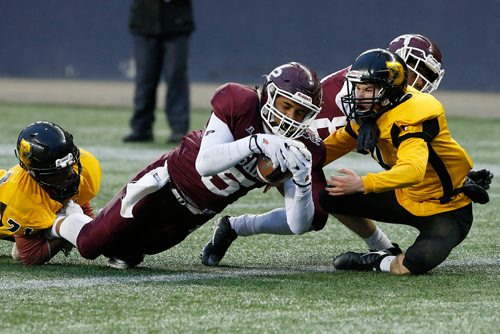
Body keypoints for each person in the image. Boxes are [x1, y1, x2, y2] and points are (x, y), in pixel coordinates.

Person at [202, 33, 448, 267]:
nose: (419, 81)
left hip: (315, 151)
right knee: (320, 205)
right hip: (289, 143)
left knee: (315, 217)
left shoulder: (406, 107)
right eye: (416, 69)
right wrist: (367, 120)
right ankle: (381, 246)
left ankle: (234, 226)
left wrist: (454, 177)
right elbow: (350, 107)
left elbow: (408, 156)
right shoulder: (360, 82)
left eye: (427, 75)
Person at [51, 62, 329, 269]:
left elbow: (298, 224)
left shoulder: (304, 147)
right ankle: (54, 220)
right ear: (269, 95)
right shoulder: (240, 102)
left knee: (127, 256)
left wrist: (303, 179)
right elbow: (206, 164)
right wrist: (257, 143)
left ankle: (87, 221)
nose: (290, 118)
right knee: (89, 245)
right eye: (286, 105)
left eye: (301, 112)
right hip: (163, 183)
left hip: (199, 210)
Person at [318, 48, 492, 275]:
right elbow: (324, 152)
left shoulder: (415, 113)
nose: (359, 96)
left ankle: (377, 261)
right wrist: (278, 169)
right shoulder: (373, 111)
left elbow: (413, 171)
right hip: (405, 195)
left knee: (412, 265)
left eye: (368, 89)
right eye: (358, 88)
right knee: (330, 196)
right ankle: (383, 248)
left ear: (387, 90)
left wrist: (363, 184)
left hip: (445, 207)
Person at [0, 121, 101, 266]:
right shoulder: (22, 196)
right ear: (34, 173)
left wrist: (91, 226)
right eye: (57, 172)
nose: (70, 175)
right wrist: (65, 231)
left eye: (70, 166)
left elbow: (77, 199)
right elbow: (30, 257)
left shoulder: (76, 167)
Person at [123, 0, 195, 144]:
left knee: (176, 77)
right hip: (145, 21)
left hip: (177, 22)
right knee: (144, 78)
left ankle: (178, 128)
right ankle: (141, 128)